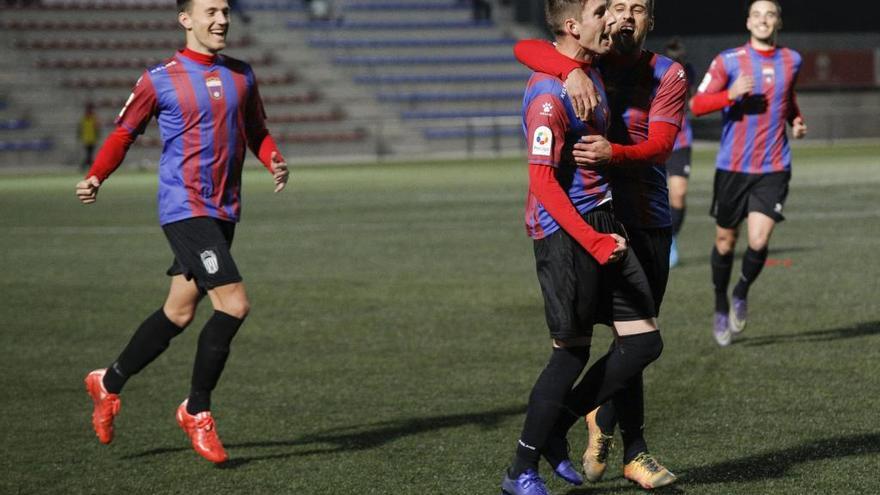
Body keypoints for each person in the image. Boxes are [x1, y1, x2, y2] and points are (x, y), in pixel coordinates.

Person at [76, 0, 289, 464]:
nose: (221, 19)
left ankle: (107, 382)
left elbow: (255, 128)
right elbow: (123, 132)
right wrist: (96, 176)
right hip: (185, 208)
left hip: (224, 211)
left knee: (178, 312)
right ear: (185, 19)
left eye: (226, 11)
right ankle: (197, 409)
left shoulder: (242, 75)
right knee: (234, 304)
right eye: (211, 11)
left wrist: (271, 156)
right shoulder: (159, 78)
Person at [513, 0, 685, 489]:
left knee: (635, 342)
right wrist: (570, 69)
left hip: (645, 220)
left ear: (651, 19)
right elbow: (526, 45)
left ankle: (592, 433)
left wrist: (615, 153)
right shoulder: (591, 62)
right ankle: (635, 450)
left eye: (636, 9)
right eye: (614, 7)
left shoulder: (667, 73)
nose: (623, 17)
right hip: (592, 221)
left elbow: (661, 147)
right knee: (589, 346)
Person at [690, 0, 806, 347]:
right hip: (733, 168)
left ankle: (740, 291)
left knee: (758, 240)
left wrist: (795, 120)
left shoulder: (792, 60)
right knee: (726, 242)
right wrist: (730, 94)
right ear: (748, 22)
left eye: (770, 14)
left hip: (774, 166)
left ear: (778, 22)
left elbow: (787, 97)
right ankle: (720, 304)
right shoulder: (728, 61)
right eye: (757, 14)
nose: (763, 20)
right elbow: (696, 105)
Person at [664, 37, 695, 267]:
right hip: (655, 140)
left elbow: (692, 99)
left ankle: (671, 237)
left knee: (678, 195)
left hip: (680, 141)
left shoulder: (689, 72)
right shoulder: (655, 74)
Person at [78, 102, 100, 173]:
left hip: (92, 139)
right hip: (86, 139)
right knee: (89, 154)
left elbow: (97, 129)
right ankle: (88, 167)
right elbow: (80, 129)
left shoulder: (93, 119)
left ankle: (87, 167)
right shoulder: (84, 120)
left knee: (89, 154)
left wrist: (97, 136)